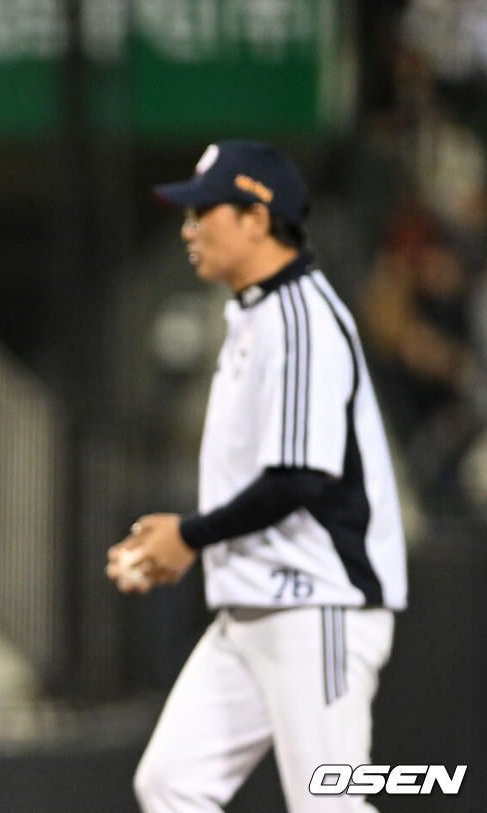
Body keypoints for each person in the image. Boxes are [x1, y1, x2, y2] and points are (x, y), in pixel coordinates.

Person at [106, 141, 407, 812]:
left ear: (255, 217)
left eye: (203, 212)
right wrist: (195, 540)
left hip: (319, 601)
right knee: (172, 781)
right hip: (251, 605)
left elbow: (301, 477)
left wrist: (190, 534)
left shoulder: (302, 317)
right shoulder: (254, 314)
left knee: (330, 801)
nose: (187, 230)